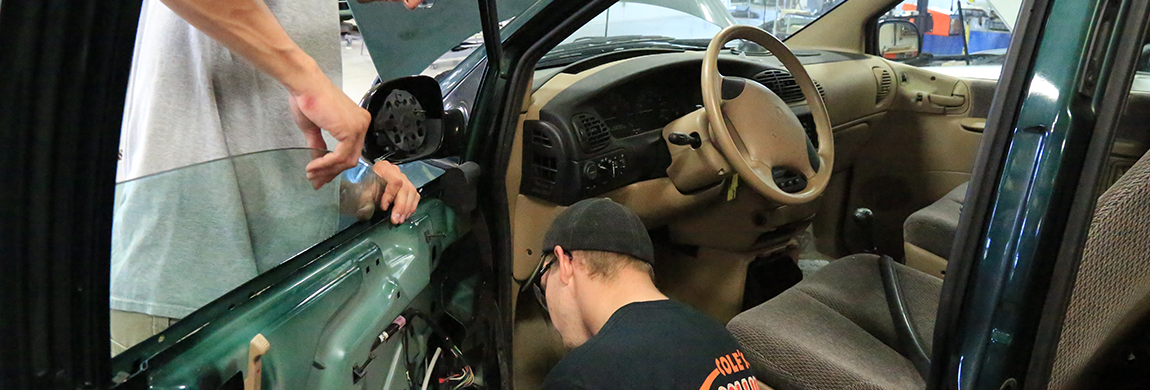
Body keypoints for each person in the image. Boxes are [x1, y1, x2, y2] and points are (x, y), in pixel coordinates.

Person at [109, 0, 422, 355]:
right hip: (186, 300)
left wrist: (358, 183)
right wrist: (310, 82)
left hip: (262, 294)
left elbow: (263, 122)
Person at [523, 198, 763, 390]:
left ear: (565, 263)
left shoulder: (582, 376)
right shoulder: (718, 337)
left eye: (544, 285)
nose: (550, 308)